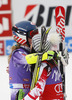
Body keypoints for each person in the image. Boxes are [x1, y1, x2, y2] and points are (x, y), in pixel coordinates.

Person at [20, 32, 69, 100]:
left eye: (32, 44)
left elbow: (38, 89)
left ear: (35, 47)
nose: (30, 46)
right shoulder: (53, 63)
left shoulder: (44, 66)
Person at [8, 20, 39, 100]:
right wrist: (46, 55)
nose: (35, 38)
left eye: (36, 34)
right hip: (19, 94)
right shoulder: (17, 53)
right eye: (32, 35)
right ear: (22, 36)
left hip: (29, 93)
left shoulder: (29, 52)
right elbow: (28, 59)